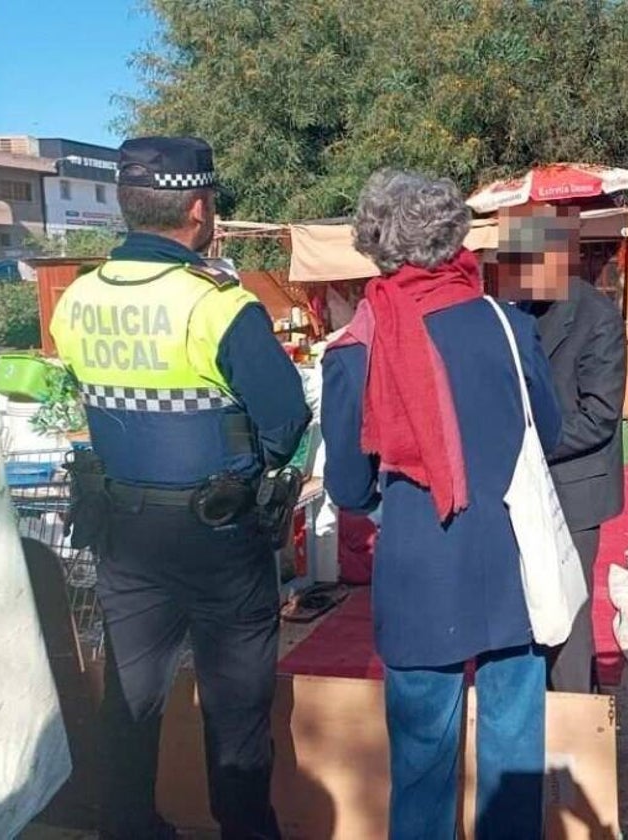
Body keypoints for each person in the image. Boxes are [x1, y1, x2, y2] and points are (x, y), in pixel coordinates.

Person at [48, 136, 311, 840]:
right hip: (217, 540)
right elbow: (286, 421)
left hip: (123, 536)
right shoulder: (218, 305)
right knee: (235, 710)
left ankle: (129, 826)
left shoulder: (76, 300)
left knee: (130, 703)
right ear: (199, 208)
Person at [320, 170, 562, 839]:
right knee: (514, 755)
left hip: (418, 568)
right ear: (454, 232)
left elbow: (347, 488)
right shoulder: (508, 323)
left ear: (374, 242)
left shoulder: (355, 348)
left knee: (423, 765)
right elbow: (551, 431)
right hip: (513, 560)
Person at [496, 202, 628, 694]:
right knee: (531, 601)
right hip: (528, 482)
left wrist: (528, 446)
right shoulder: (519, 310)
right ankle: (544, 701)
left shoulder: (597, 317)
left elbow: (599, 416)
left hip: (575, 487)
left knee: (567, 604)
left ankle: (576, 714)